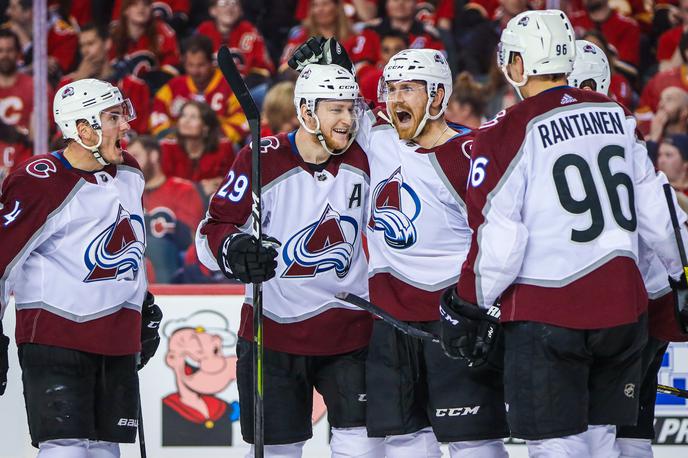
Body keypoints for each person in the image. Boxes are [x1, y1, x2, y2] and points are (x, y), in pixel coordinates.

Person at [438, 9, 687, 456]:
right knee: (602, 443)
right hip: (622, 313)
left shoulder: (507, 130)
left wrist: (469, 304)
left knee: (557, 447)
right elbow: (657, 210)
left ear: (517, 64)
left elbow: (502, 238)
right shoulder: (615, 114)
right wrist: (683, 274)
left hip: (550, 313)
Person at [289, 40, 509, 457]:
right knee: (405, 441)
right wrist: (334, 63)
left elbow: (498, 237)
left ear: (438, 95)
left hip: (454, 320)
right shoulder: (378, 139)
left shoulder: (470, 155)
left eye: (407, 88)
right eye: (390, 89)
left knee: (473, 442)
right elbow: (344, 112)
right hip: (390, 323)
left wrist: (485, 309)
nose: (394, 99)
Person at [195, 63, 384, 457]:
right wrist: (235, 250)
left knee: (364, 446)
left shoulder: (367, 158)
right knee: (278, 451)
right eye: (337, 109)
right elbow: (212, 232)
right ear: (306, 110)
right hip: (272, 334)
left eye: (351, 109)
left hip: (351, 332)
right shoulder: (260, 158)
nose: (348, 119)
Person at [0, 78, 162, 457]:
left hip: (116, 337)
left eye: (123, 115)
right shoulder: (39, 180)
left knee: (108, 451)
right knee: (66, 449)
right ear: (83, 128)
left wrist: (142, 303)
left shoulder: (130, 172)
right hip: (57, 335)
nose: (125, 126)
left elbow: (127, 244)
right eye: (113, 117)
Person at [569, 38, 688, 458]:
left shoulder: (559, 138)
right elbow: (668, 222)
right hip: (640, 301)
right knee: (625, 432)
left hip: (612, 305)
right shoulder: (622, 134)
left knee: (594, 430)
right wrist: (683, 280)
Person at [127, 135, 204, 283]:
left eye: (136, 156)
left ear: (153, 156)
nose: (131, 163)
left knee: (157, 246)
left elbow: (189, 238)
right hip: (133, 266)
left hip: (174, 266)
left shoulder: (182, 189)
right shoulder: (127, 193)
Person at [150, 34, 248, 144]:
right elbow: (157, 114)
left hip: (217, 146)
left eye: (201, 65)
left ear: (211, 63)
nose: (195, 71)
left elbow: (243, 119)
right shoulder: (174, 86)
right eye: (190, 65)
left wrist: (214, 137)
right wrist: (173, 137)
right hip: (180, 146)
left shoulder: (230, 85)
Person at [59, 23, 151, 135]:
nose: (85, 51)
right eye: (82, 46)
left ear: (107, 43)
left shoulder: (133, 86)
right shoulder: (67, 86)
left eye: (91, 44)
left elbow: (138, 132)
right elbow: (62, 129)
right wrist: (79, 81)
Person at [159, 100, 235, 201]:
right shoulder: (167, 147)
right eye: (183, 116)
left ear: (206, 127)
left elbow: (231, 184)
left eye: (193, 117)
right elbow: (163, 187)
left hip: (212, 206)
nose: (186, 121)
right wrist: (199, 188)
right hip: (174, 205)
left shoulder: (224, 148)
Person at [109, 0, 180, 79]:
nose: (141, 8)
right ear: (126, 10)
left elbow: (172, 68)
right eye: (134, 4)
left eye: (146, 4)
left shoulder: (163, 32)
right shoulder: (113, 37)